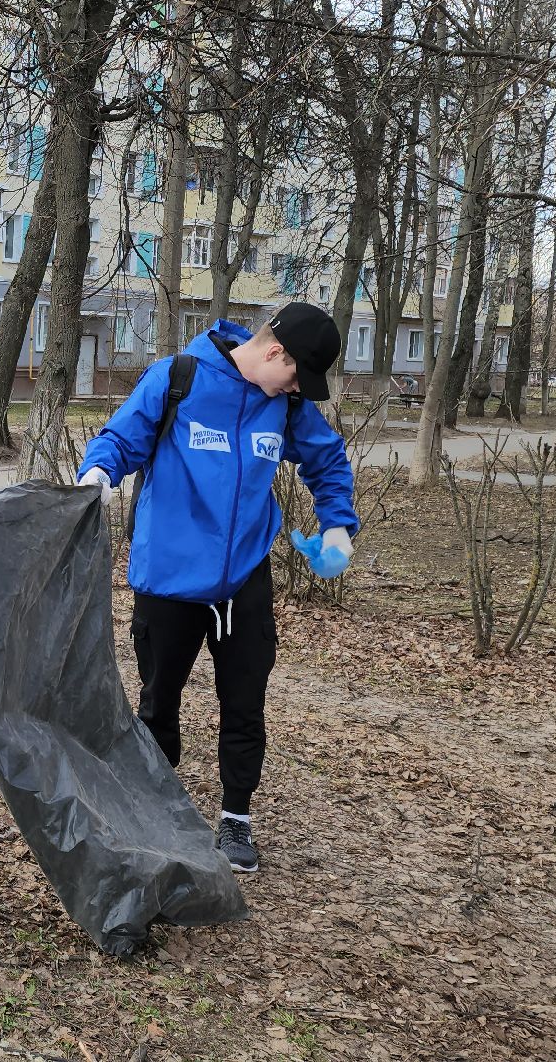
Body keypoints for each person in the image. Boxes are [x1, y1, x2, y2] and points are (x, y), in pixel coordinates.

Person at [75, 303, 358, 873]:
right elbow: (122, 438)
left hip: (243, 579)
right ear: (275, 352)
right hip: (169, 578)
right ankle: (154, 810)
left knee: (245, 701)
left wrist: (337, 527)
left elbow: (327, 460)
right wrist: (99, 473)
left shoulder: (286, 405)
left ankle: (236, 818)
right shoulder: (178, 378)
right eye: (297, 377)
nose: (297, 390)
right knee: (159, 703)